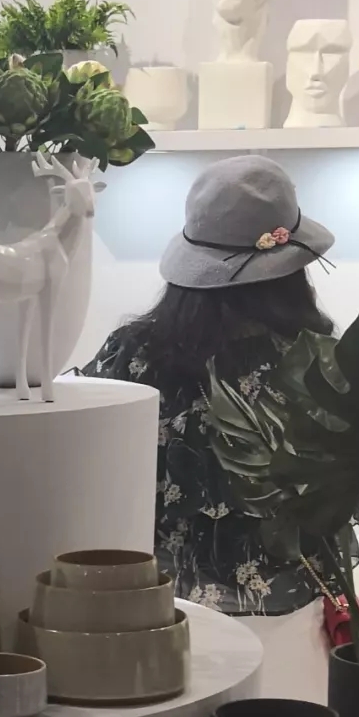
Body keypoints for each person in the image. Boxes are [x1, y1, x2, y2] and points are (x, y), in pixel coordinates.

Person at [85, 154, 335, 626]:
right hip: (295, 603)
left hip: (155, 604)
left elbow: (84, 462)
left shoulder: (133, 355)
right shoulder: (316, 359)